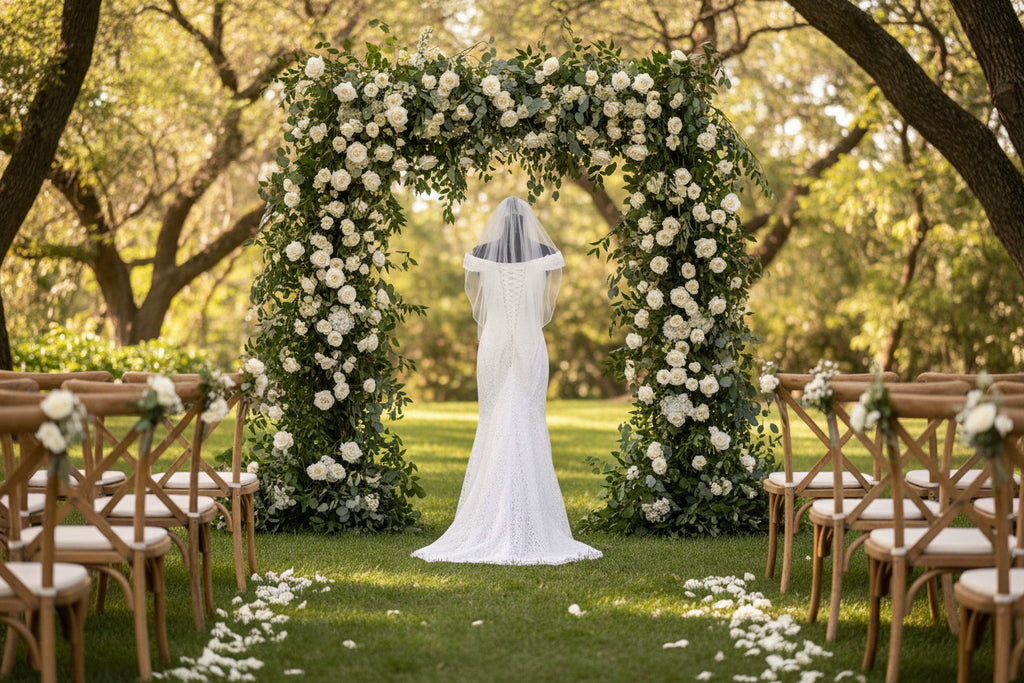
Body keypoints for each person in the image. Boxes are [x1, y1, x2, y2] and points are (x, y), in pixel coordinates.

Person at [411, 197, 603, 565]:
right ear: (527, 222)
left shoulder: (482, 254)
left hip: (496, 341)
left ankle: (499, 514)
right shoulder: (544, 255)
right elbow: (545, 306)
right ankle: (521, 515)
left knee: (502, 418)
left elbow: (480, 306)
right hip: (529, 342)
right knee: (521, 418)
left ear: (499, 224)